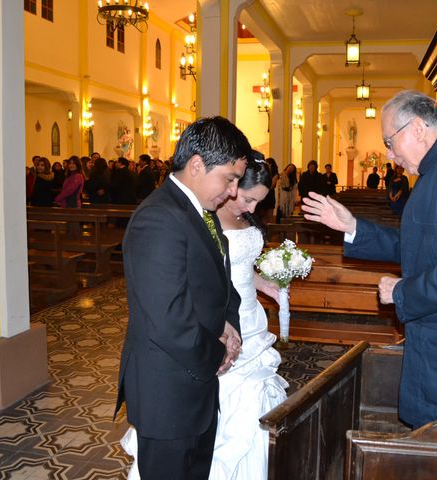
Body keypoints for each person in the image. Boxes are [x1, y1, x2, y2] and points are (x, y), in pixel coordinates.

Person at [302, 90, 437, 429]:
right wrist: (353, 226)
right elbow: (417, 246)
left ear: (416, 128)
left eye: (390, 141)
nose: (389, 154)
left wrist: (402, 292)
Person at [121, 153, 289, 480]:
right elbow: (174, 306)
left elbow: (228, 272)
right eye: (248, 197)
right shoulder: (178, 218)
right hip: (192, 348)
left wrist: (259, 286)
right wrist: (217, 347)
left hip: (243, 320)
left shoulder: (214, 216)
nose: (253, 209)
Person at [114, 116, 250, 480]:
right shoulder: (159, 218)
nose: (234, 191)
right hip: (168, 390)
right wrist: (218, 352)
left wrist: (229, 324)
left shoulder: (199, 211)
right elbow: (168, 316)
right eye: (230, 178)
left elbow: (221, 280)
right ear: (196, 165)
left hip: (196, 386)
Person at [255, 156, 279, 224]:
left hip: (269, 195)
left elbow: (271, 185)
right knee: (261, 215)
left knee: (269, 216)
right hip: (262, 195)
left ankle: (268, 233)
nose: (269, 166)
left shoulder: (275, 174)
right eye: (267, 164)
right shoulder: (262, 172)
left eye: (270, 165)